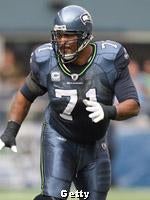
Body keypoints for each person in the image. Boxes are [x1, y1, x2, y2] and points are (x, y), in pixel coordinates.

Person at [0, 5, 140, 200]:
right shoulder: (46, 59)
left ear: (85, 36)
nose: (62, 42)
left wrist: (109, 111)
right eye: (59, 36)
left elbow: (133, 105)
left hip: (95, 143)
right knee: (54, 196)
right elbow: (24, 95)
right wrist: (11, 130)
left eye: (69, 36)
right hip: (59, 136)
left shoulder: (109, 59)